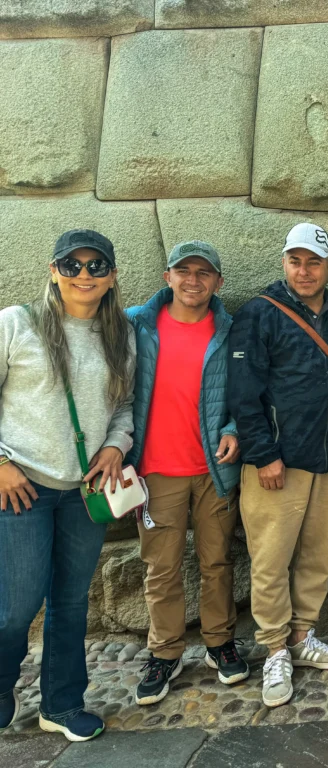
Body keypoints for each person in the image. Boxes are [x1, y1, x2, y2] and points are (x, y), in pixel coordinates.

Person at [229, 223, 328, 707]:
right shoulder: (258, 315)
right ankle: (273, 648)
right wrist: (263, 453)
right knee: (270, 557)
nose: (304, 271)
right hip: (278, 464)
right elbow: (243, 393)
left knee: (317, 554)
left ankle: (302, 636)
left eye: (314, 262)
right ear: (284, 263)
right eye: (295, 261)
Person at [0, 230, 135, 741]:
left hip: (84, 492)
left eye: (96, 266)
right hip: (22, 488)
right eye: (72, 265)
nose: (84, 275)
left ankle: (60, 703)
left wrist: (115, 446)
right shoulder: (17, 324)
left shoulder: (121, 335)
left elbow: (125, 407)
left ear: (112, 275)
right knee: (15, 607)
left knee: (71, 601)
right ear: (54, 270)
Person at [126, 241, 247, 707]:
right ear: (167, 276)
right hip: (156, 472)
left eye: (203, 273)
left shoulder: (230, 331)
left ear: (218, 282)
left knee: (217, 561)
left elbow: (248, 392)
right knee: (162, 567)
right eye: (184, 271)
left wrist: (235, 429)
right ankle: (165, 652)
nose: (193, 280)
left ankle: (219, 643)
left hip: (214, 471)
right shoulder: (137, 325)